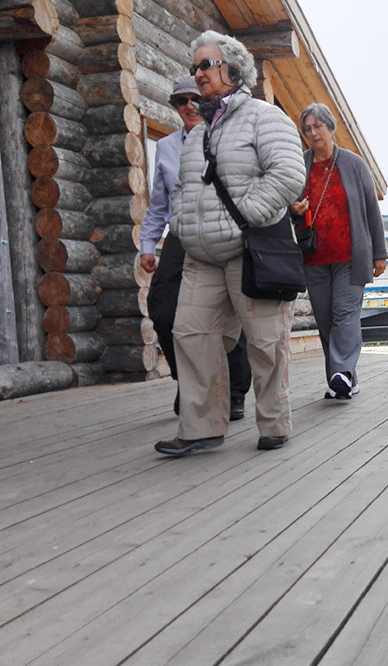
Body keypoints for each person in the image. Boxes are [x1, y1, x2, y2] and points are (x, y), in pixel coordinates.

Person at [154, 30, 305, 456]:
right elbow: (183, 189)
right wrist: (186, 226)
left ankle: (274, 423)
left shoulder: (265, 117)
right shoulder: (198, 133)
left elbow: (287, 176)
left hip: (248, 249)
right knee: (190, 334)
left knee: (265, 341)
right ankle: (201, 427)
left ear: (233, 69)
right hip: (201, 256)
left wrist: (243, 221)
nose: (197, 73)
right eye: (194, 66)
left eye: (205, 64)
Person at [139, 75, 252, 421]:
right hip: (182, 232)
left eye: (194, 99)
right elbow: (159, 203)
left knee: (230, 311)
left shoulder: (224, 137)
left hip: (222, 229)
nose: (189, 105)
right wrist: (147, 244)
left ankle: (232, 392)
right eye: (180, 101)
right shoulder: (168, 147)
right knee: (162, 307)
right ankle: (189, 383)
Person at [288, 102, 387, 400]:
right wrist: (294, 210)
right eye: (307, 129)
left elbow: (371, 210)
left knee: (345, 314)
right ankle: (343, 379)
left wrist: (379, 253)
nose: (313, 133)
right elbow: (288, 209)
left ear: (331, 128)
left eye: (318, 126)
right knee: (326, 319)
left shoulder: (354, 165)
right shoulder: (299, 165)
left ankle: (340, 373)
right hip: (314, 256)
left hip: (349, 255)